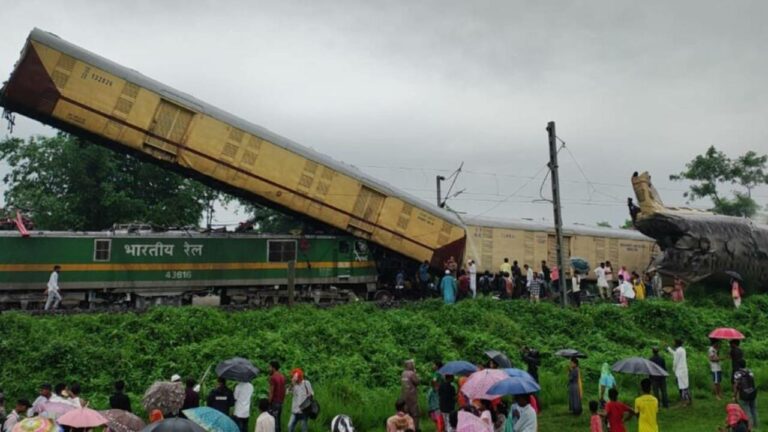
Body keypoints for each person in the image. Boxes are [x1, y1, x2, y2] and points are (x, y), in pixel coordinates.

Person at [733, 359, 758, 428]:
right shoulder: (750, 372)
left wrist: (734, 395)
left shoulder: (737, 373)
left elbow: (736, 385)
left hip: (744, 394)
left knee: (746, 410)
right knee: (754, 409)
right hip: (752, 393)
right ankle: (756, 425)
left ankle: (750, 426)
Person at [667, 339, 691, 406]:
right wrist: (669, 348)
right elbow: (675, 354)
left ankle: (684, 402)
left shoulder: (678, 351)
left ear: (677, 344)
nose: (673, 344)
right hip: (684, 370)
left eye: (674, 342)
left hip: (680, 371)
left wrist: (673, 369)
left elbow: (675, 361)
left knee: (682, 387)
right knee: (685, 385)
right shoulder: (682, 350)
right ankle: (688, 399)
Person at [400, 359, 420, 432]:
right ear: (409, 365)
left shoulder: (403, 373)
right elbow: (417, 382)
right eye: (412, 364)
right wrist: (416, 374)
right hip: (412, 397)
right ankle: (415, 428)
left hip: (404, 396)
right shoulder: (412, 373)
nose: (413, 365)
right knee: (415, 413)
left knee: (406, 413)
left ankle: (407, 428)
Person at [268, 361, 286, 432]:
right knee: (278, 421)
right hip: (280, 402)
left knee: (274, 422)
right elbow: (284, 390)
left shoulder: (273, 378)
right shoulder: (282, 376)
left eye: (269, 367)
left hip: (274, 403)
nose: (269, 369)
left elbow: (271, 392)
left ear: (273, 368)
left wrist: (269, 402)